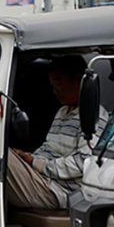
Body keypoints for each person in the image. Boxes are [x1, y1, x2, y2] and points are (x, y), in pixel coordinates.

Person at [6, 55, 108, 210]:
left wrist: (37, 164)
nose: (55, 91)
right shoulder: (62, 112)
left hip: (61, 191)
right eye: (52, 85)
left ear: (79, 81)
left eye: (58, 83)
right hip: (44, 179)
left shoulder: (95, 116)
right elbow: (49, 148)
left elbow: (84, 162)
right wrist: (28, 158)